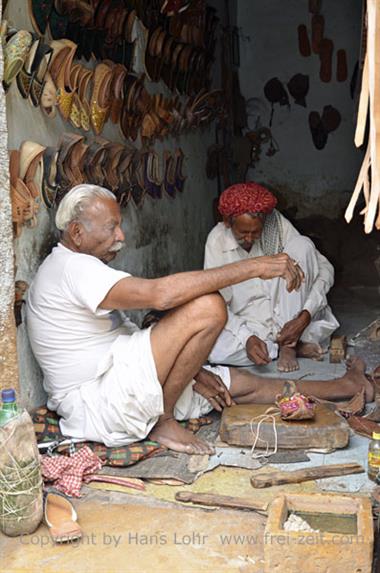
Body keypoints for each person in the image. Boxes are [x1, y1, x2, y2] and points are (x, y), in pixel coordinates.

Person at [26, 185, 370, 456]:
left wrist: (192, 368)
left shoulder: (77, 268)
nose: (121, 236)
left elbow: (126, 332)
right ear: (76, 232)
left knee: (242, 384)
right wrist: (254, 267)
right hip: (103, 401)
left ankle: (344, 388)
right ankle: (163, 419)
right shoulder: (73, 268)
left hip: (121, 384)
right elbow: (161, 296)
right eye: (112, 227)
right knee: (208, 308)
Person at [205, 182, 339, 372]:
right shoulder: (216, 241)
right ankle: (284, 346)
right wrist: (247, 338)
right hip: (250, 323)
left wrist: (305, 315)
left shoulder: (276, 225)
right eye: (243, 233)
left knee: (303, 245)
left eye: (255, 232)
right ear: (228, 222)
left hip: (290, 315)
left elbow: (325, 268)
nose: (250, 239)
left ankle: (288, 345)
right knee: (214, 351)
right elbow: (216, 301)